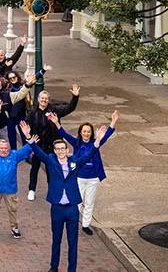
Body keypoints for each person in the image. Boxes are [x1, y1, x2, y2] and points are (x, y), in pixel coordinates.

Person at [19, 120, 98, 272]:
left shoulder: (74, 161)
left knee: (73, 242)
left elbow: (89, 155)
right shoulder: (50, 160)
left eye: (63, 148)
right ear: (55, 151)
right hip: (56, 208)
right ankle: (53, 267)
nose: (61, 151)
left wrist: (98, 141)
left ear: (67, 149)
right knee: (56, 240)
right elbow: (37, 150)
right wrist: (28, 136)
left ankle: (71, 269)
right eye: (58, 149)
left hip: (72, 209)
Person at [52, 110, 118, 235]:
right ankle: (73, 222)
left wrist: (113, 121)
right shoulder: (76, 142)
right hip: (79, 177)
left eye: (88, 131)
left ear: (91, 133)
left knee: (89, 202)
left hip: (93, 178)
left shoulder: (96, 142)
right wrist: (56, 123)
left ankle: (86, 225)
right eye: (84, 131)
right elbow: (64, 134)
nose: (86, 133)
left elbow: (107, 134)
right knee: (77, 201)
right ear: (80, 133)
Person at [27, 84, 80, 201]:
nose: (44, 100)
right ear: (38, 99)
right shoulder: (32, 112)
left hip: (52, 145)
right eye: (42, 98)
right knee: (35, 167)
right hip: (38, 145)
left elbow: (69, 108)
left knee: (52, 168)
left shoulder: (54, 110)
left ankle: (53, 189)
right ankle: (31, 189)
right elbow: (27, 128)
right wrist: (31, 143)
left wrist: (75, 97)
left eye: (46, 98)